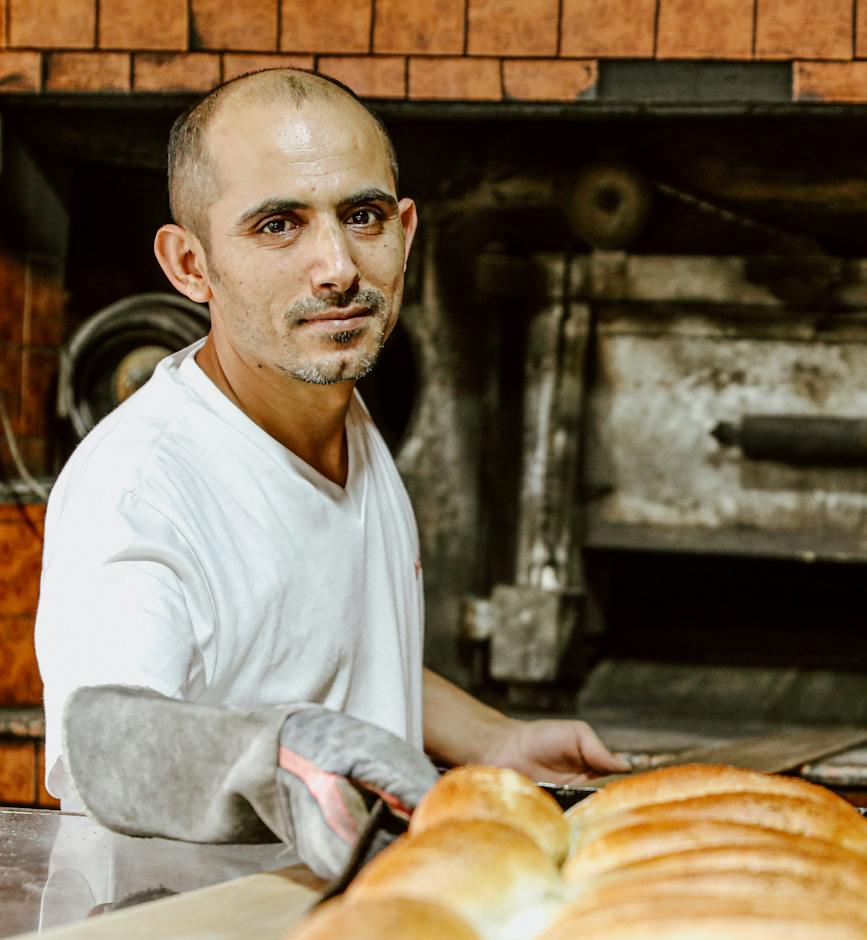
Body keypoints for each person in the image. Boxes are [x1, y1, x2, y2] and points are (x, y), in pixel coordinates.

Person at [35, 69, 623, 875]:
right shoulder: (142, 489)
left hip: (351, 913)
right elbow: (101, 739)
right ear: (189, 265)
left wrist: (495, 739)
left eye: (362, 216)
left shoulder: (335, 403)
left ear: (407, 231)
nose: (338, 267)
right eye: (278, 224)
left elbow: (321, 640)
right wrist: (288, 758)